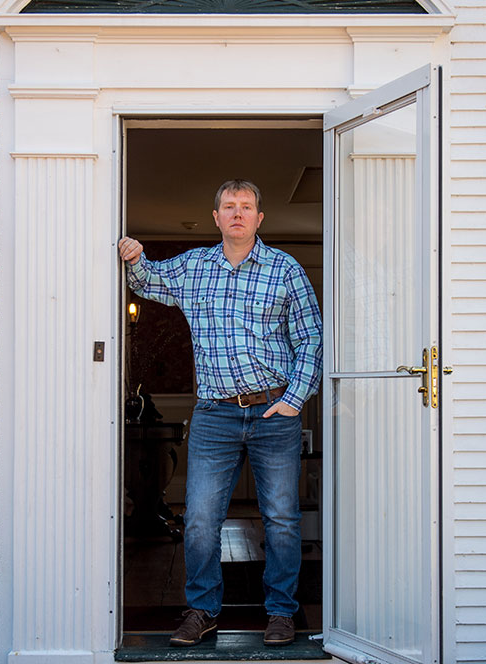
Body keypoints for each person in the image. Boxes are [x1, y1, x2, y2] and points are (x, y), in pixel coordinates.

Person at [118, 179, 323, 647]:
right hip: (215, 413)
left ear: (259, 218)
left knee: (282, 519)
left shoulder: (284, 268)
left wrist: (294, 398)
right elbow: (148, 281)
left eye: (246, 206)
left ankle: (281, 613)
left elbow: (312, 338)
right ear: (216, 217)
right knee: (200, 518)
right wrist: (133, 256)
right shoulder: (194, 267)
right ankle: (203, 610)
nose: (237, 213)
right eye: (228, 206)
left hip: (276, 410)